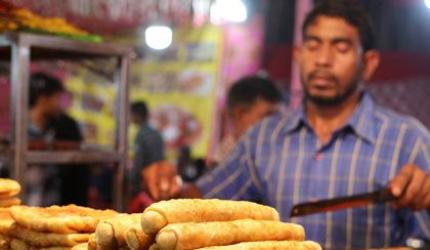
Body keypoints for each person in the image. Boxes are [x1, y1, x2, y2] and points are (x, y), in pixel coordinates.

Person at [145, 1, 430, 249]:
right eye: (313, 45)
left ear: (368, 63)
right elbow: (206, 205)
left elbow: (422, 239)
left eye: (340, 48)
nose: (322, 60)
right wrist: (174, 190)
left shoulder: (407, 140)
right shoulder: (263, 138)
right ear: (298, 55)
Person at [28, 72, 89, 206]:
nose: (59, 104)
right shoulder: (20, 131)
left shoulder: (65, 128)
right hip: (24, 206)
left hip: (54, 209)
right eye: (56, 98)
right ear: (43, 99)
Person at [214, 75, 283, 163]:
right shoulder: (225, 164)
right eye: (267, 116)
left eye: (277, 116)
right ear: (240, 114)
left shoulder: (273, 155)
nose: (275, 123)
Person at [128, 101, 164, 211]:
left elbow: (139, 162)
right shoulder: (156, 133)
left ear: (136, 115)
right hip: (157, 179)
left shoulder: (141, 134)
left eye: (131, 114)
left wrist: (132, 179)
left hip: (144, 182)